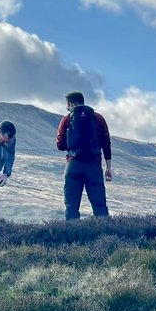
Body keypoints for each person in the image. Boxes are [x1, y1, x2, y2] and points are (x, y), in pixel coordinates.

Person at [55, 90, 113, 220]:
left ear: (70, 104)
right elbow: (106, 142)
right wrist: (109, 167)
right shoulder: (98, 118)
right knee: (99, 205)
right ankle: (104, 234)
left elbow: (60, 145)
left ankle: (72, 236)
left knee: (71, 205)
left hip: (73, 164)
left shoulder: (66, 120)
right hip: (93, 165)